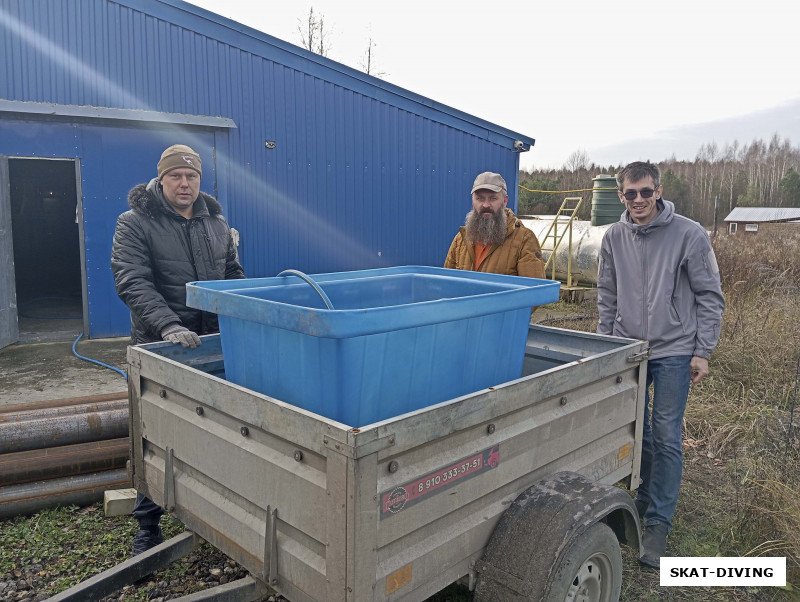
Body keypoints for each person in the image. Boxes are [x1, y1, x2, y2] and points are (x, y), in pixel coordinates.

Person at [111, 144, 245, 556]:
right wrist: (168, 325)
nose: (184, 184)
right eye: (176, 177)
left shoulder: (218, 225)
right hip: (160, 346)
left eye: (192, 177)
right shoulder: (134, 222)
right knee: (156, 434)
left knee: (213, 427)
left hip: (210, 346)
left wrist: (245, 315)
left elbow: (232, 277)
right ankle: (148, 526)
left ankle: (212, 510)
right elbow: (131, 279)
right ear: (161, 179)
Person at [597, 161, 725, 569]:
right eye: (630, 193)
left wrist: (702, 350)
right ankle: (642, 496)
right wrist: (605, 346)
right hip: (628, 350)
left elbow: (709, 295)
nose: (638, 200)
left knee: (667, 435)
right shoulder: (613, 237)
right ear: (621, 195)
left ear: (659, 191)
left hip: (673, 351)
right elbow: (606, 293)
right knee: (638, 432)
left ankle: (658, 524)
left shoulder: (689, 234)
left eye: (645, 192)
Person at [445, 172, 545, 279]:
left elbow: (535, 291)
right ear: (473, 201)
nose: (486, 205)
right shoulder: (461, 239)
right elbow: (446, 284)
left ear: (505, 201)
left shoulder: (524, 240)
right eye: (480, 198)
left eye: (493, 198)